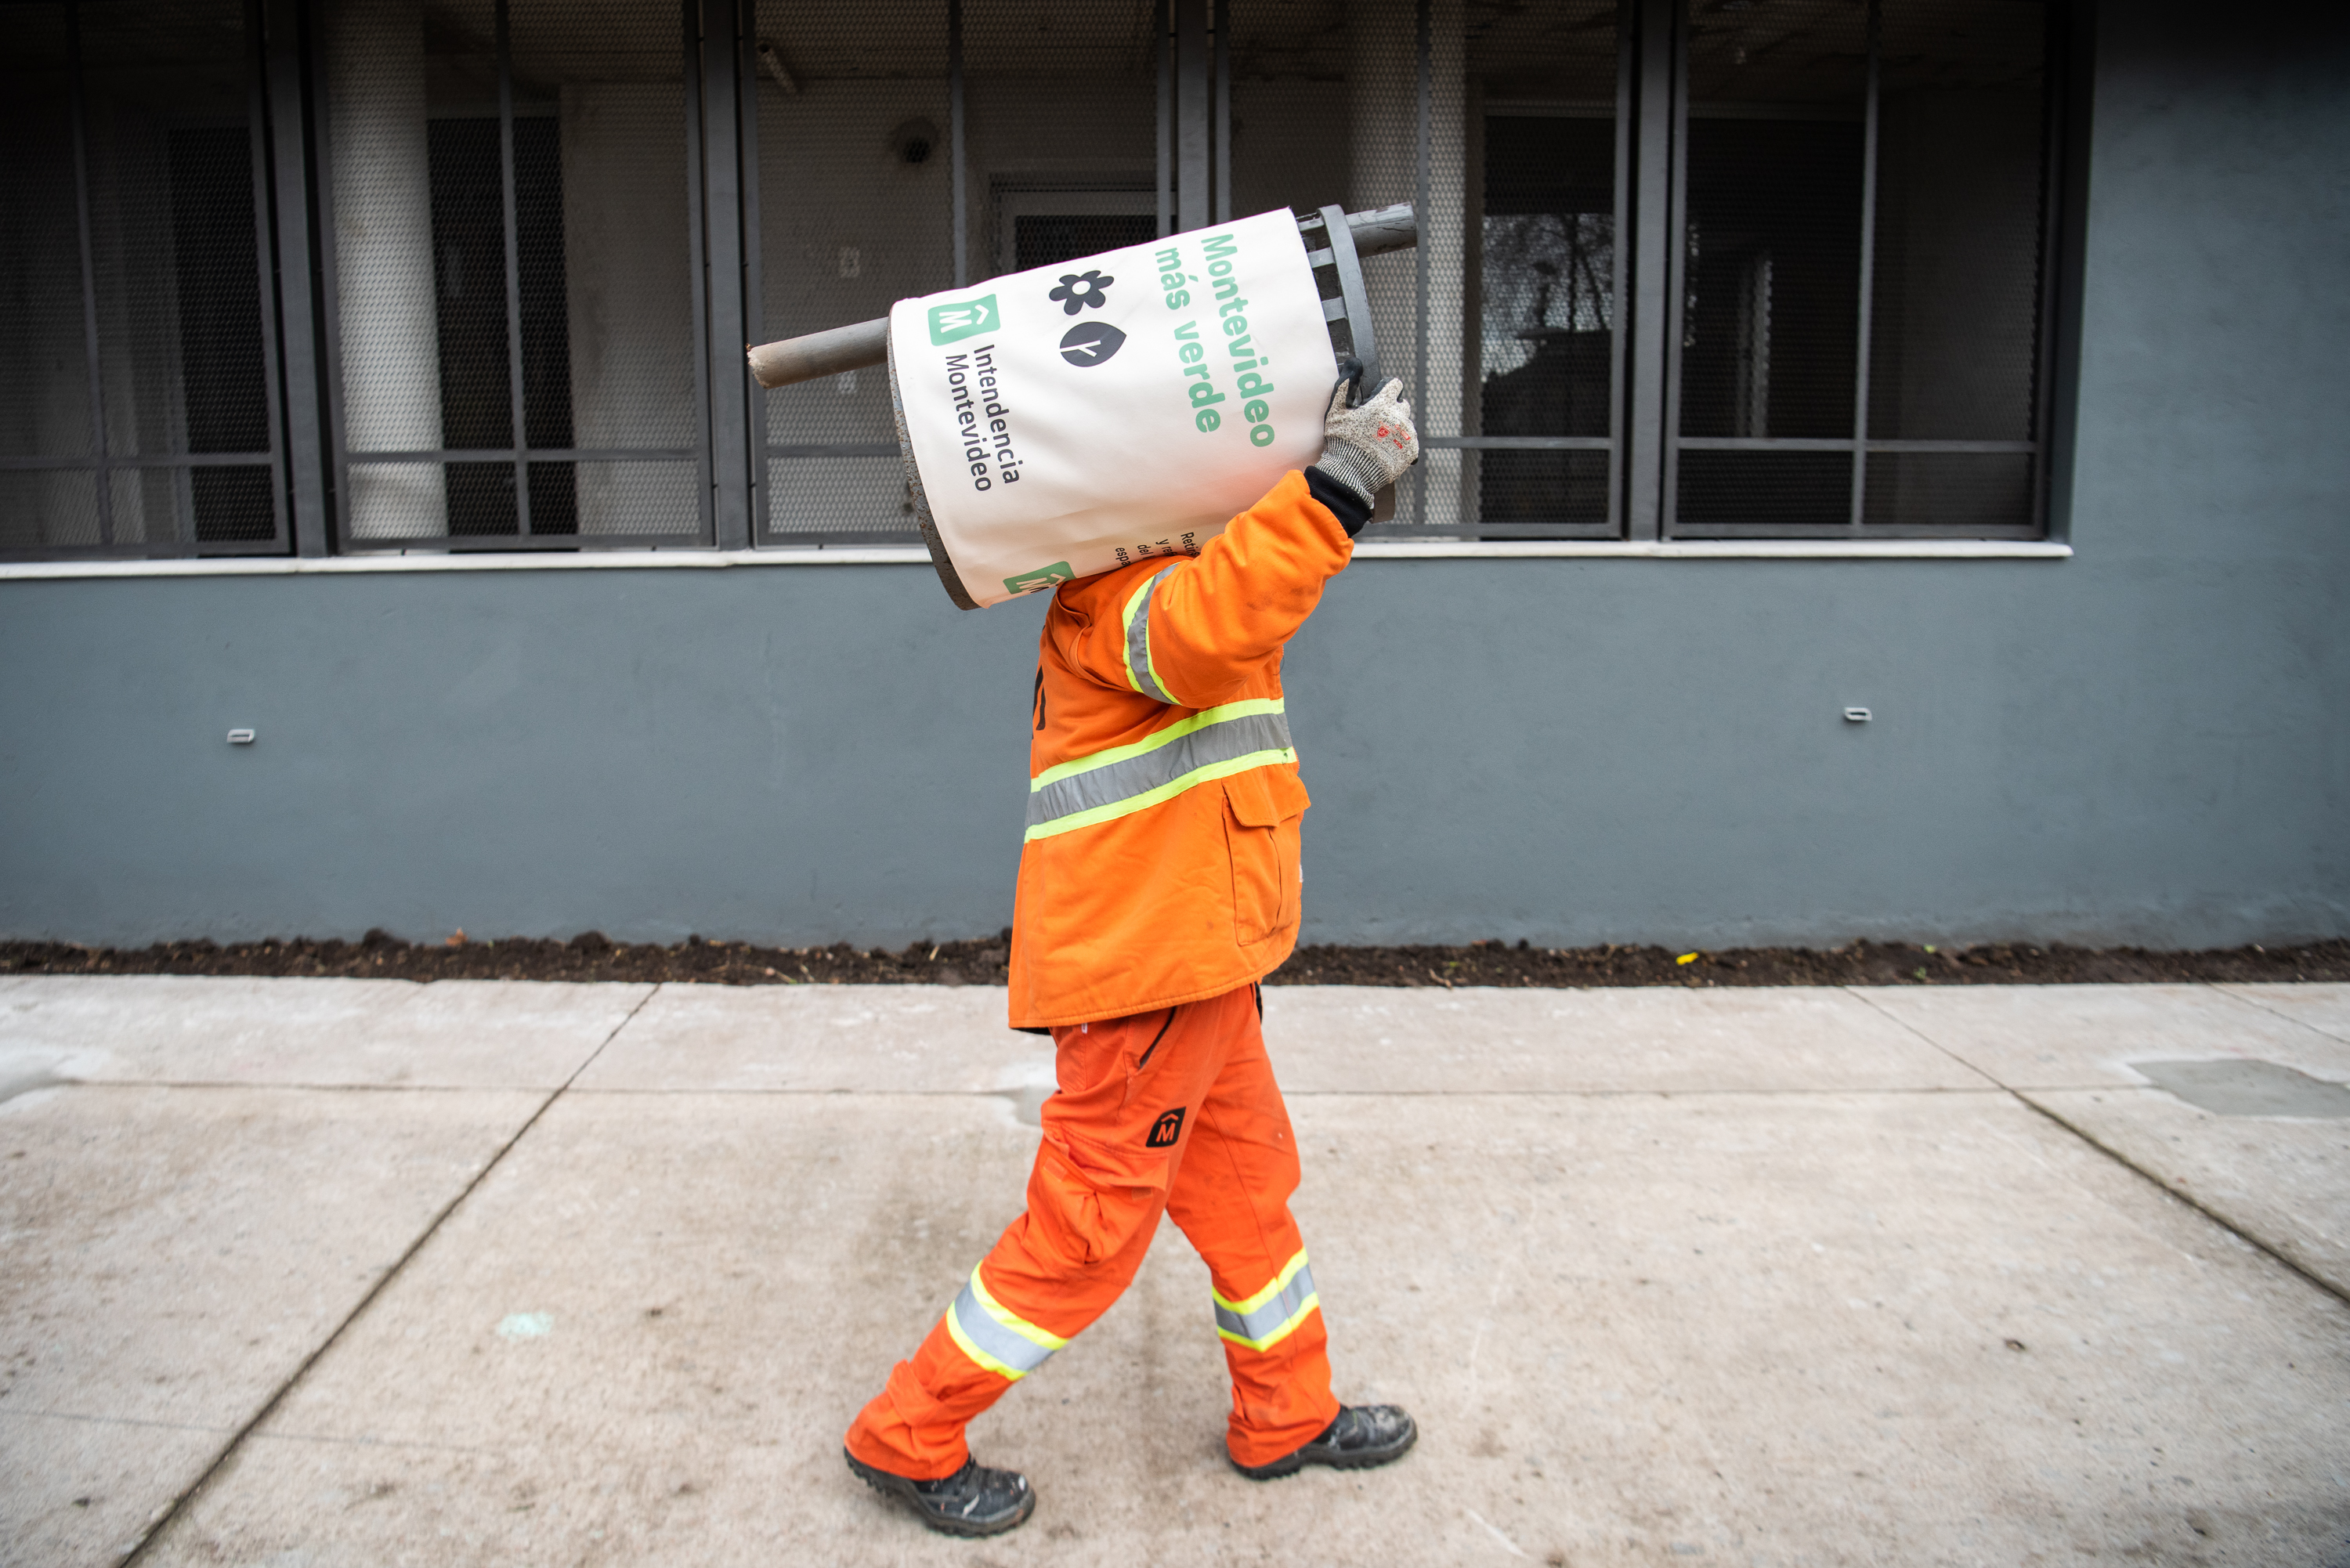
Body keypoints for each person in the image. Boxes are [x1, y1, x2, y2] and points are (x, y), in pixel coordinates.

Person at [841, 377, 1425, 1537]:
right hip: (1145, 976)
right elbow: (1210, 632)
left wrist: (1304, 460)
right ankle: (905, 1432)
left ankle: (1286, 1412)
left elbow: (1237, 597)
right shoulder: (1109, 591)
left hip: (1201, 966)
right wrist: (1339, 487)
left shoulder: (1175, 563)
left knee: (1252, 1194)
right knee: (1088, 1236)